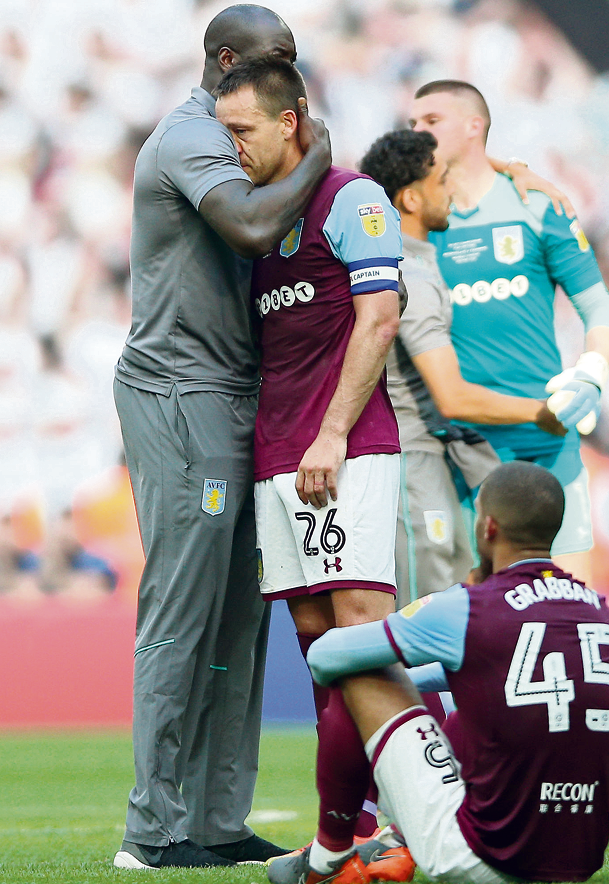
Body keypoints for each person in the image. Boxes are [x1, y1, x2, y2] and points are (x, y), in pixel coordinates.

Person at [112, 5, 331, 870]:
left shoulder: (251, 138)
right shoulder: (192, 137)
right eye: (278, 57)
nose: (293, 72)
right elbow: (250, 226)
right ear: (228, 59)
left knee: (242, 615)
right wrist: (316, 153)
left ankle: (213, 818)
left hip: (240, 391)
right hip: (179, 390)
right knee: (183, 607)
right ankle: (152, 830)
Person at [213, 56, 402, 871]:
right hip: (275, 455)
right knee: (317, 640)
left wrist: (331, 434)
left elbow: (379, 318)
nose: (231, 147)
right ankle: (348, 833)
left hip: (343, 446)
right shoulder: (257, 220)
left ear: (288, 122)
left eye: (241, 131)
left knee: (361, 636)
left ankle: (408, 817)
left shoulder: (351, 198)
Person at [269, 461, 609, 884]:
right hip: (576, 861)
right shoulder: (597, 610)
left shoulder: (470, 605)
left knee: (358, 670)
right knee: (474, 706)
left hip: (487, 856)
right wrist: (439, 677)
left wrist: (396, 682)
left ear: (488, 527)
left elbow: (325, 657)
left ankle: (328, 860)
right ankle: (395, 840)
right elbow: (501, 680)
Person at [409, 80, 609, 585]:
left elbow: (600, 311)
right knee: (474, 622)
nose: (417, 132)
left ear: (473, 126)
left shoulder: (538, 206)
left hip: (547, 439)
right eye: (413, 123)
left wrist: (590, 375)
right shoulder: (416, 218)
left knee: (567, 602)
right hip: (462, 445)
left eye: (431, 121)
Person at [359, 129, 565, 606]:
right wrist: (541, 412)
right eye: (441, 179)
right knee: (422, 608)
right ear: (410, 198)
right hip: (407, 456)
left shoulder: (415, 266)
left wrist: (512, 166)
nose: (451, 189)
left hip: (430, 455)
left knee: (450, 588)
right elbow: (451, 395)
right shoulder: (406, 275)